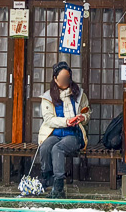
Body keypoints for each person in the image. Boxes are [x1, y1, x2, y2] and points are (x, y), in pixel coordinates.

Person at [37, 61, 90, 198]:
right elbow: (49, 120)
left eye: (67, 78)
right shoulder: (48, 97)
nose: (65, 81)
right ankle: (46, 177)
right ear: (55, 79)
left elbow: (87, 112)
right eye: (61, 78)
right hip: (55, 132)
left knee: (57, 148)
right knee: (45, 147)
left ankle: (59, 185)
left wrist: (82, 118)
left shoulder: (79, 94)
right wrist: (66, 121)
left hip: (73, 134)